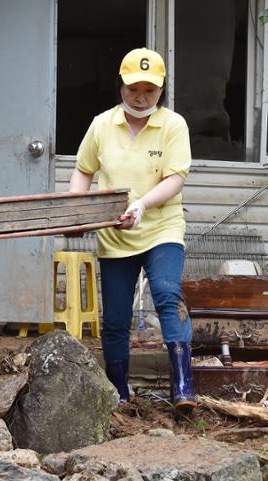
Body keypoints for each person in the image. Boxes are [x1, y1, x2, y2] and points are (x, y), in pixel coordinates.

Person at [69, 48, 196, 410]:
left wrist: (142, 204)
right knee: (116, 318)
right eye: (133, 89)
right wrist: (77, 211)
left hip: (161, 228)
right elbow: (83, 169)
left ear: (162, 91)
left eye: (150, 91)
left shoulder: (173, 125)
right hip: (115, 233)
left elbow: (175, 178)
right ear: (120, 86)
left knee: (168, 295)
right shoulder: (101, 124)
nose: (141, 97)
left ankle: (184, 387)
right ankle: (119, 394)